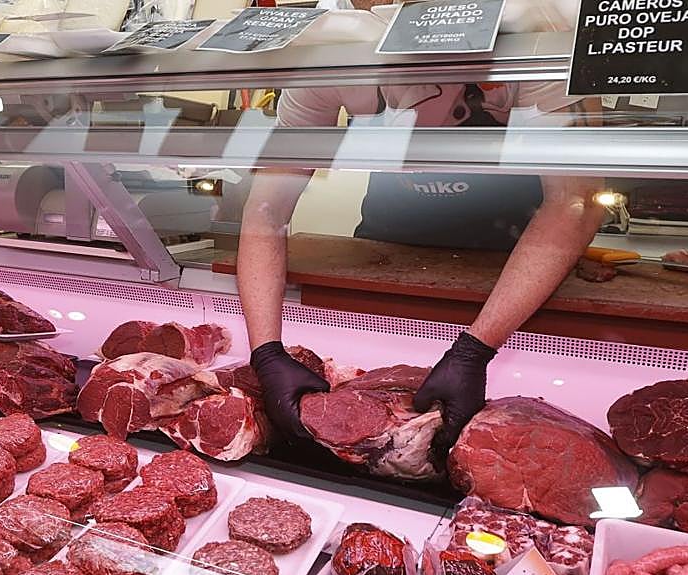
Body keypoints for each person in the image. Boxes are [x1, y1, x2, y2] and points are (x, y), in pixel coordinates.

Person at [239, 79, 603, 455]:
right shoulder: (334, 64)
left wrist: (475, 350)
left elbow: (576, 202)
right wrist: (265, 352)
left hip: (513, 270)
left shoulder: (531, 59)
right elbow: (266, 211)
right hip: (385, 251)